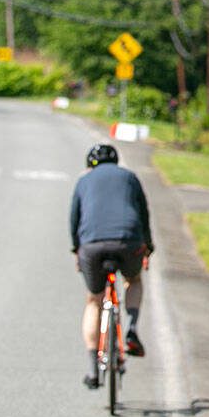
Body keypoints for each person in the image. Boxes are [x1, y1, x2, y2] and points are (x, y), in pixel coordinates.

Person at [70, 143, 154, 390]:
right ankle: (131, 328)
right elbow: (143, 213)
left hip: (92, 246)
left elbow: (73, 219)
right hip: (129, 242)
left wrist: (77, 250)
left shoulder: (83, 180)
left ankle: (93, 369)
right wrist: (147, 246)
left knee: (94, 300)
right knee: (134, 280)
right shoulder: (129, 177)